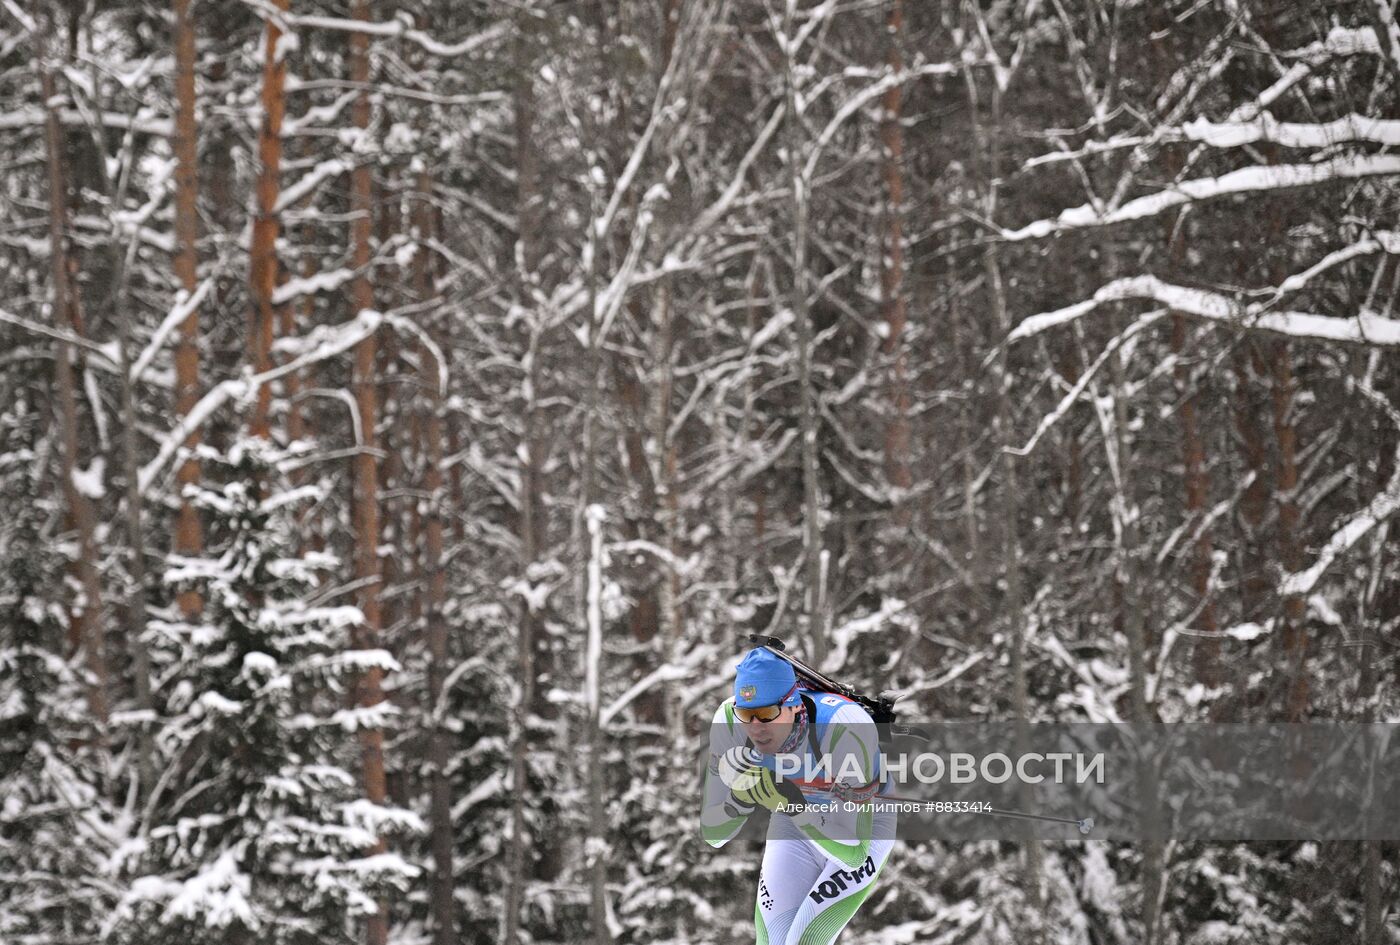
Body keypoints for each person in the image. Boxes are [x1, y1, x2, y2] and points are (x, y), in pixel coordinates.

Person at [700, 646, 897, 945]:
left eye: (766, 714)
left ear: (793, 705)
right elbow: (713, 834)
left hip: (860, 827)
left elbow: (855, 855)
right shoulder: (729, 720)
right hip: (794, 820)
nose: (755, 728)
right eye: (746, 714)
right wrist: (738, 800)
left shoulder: (844, 724)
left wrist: (796, 807)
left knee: (806, 941)